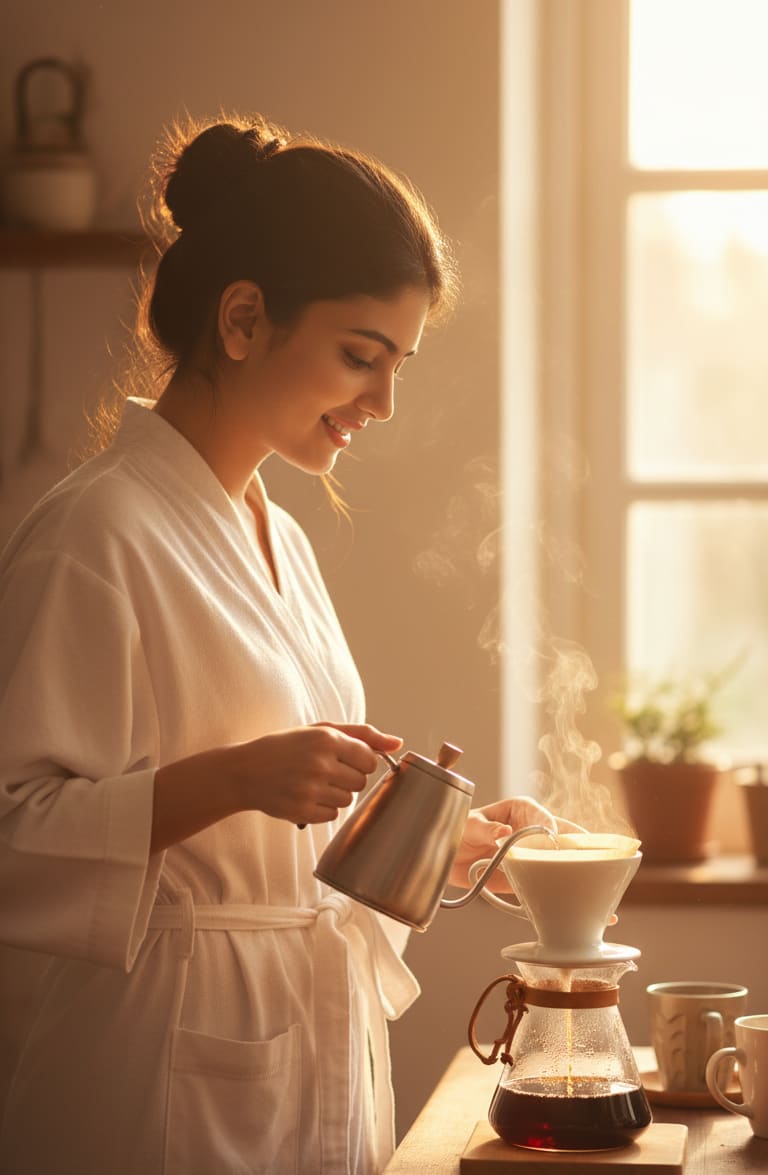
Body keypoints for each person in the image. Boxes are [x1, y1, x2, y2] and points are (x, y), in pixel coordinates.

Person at [0, 114, 570, 1175]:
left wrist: (448, 847)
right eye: (362, 356)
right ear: (245, 318)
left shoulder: (281, 534)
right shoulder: (97, 531)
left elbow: (290, 838)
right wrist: (234, 777)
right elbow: (12, 833)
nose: (384, 403)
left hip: (311, 1050)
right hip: (157, 1079)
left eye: (396, 364)